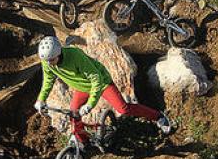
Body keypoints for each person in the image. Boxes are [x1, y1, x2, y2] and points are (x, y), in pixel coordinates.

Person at [33, 36, 172, 147]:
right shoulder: (47, 62)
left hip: (102, 83)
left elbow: (96, 79)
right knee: (73, 113)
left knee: (123, 109)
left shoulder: (75, 56)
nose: (49, 63)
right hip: (82, 87)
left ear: (58, 53)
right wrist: (41, 99)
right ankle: (83, 141)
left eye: (51, 60)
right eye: (47, 61)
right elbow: (48, 80)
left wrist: (90, 105)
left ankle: (158, 116)